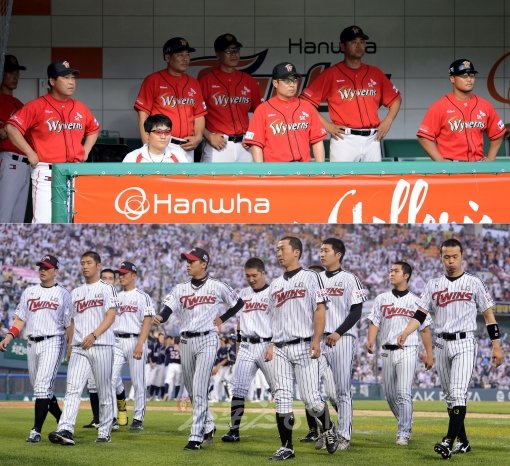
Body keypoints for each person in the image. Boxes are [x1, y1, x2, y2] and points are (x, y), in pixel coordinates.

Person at [397, 238, 503, 459]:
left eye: (455, 256)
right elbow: (420, 314)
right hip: (441, 343)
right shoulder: (433, 284)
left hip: (465, 342)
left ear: (462, 256)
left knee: (457, 393)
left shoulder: (474, 283)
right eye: (447, 257)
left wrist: (496, 345)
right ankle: (463, 442)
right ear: (441, 257)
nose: (451, 261)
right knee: (449, 397)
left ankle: (448, 441)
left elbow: (489, 316)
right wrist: (407, 331)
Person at [154, 247, 244, 450]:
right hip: (185, 340)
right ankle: (209, 425)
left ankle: (196, 436)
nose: (188, 264)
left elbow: (238, 303)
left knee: (199, 386)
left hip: (208, 339)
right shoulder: (180, 288)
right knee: (192, 390)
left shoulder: (217, 286)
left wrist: (222, 318)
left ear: (203, 264)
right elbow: (168, 308)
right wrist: (162, 317)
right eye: (187, 260)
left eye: (192, 261)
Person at [265, 236, 338, 461]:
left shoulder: (312, 277)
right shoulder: (275, 284)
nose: (278, 253)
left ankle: (328, 427)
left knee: (311, 399)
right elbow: (272, 319)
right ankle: (287, 446)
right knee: (283, 398)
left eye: (282, 249)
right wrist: (270, 343)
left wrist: (316, 339)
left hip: (304, 344)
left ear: (296, 252)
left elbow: (320, 310)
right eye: (277, 249)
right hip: (280, 348)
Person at [5, 60, 100, 223]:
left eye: (73, 78)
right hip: (47, 172)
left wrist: (85, 151)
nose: (71, 82)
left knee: (73, 221)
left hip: (73, 171)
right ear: (52, 81)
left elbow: (93, 129)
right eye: (65, 78)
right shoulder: (37, 106)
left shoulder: (80, 107)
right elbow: (11, 128)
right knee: (44, 222)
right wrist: (30, 152)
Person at [301, 25, 401, 162]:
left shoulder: (375, 73)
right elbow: (305, 102)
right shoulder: (331, 74)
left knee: (374, 181)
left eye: (361, 41)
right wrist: (327, 125)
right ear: (342, 46)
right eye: (353, 42)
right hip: (344, 139)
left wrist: (388, 121)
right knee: (342, 181)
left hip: (372, 138)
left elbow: (396, 99)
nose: (359, 46)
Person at [49, 251, 119, 445]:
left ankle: (104, 431)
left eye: (89, 262)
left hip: (102, 345)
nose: (85, 266)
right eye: (82, 263)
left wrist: (95, 335)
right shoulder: (76, 292)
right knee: (72, 389)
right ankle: (65, 429)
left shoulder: (107, 288)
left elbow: (111, 315)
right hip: (80, 346)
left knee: (104, 390)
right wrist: (71, 345)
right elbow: (71, 321)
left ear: (98, 265)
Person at [0, 254, 71, 443]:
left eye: (47, 268)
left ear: (56, 271)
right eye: (41, 267)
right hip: (31, 343)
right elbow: (20, 318)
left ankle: (35, 430)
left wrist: (71, 346)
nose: (42, 270)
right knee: (42, 389)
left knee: (41, 387)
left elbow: (68, 324)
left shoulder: (63, 293)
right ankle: (62, 419)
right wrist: (9, 336)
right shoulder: (29, 292)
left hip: (53, 341)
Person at [367, 261, 433, 446]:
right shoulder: (381, 298)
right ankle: (406, 421)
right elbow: (374, 321)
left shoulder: (416, 301)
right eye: (390, 271)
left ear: (406, 276)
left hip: (408, 349)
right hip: (387, 350)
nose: (391, 273)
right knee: (389, 395)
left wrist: (429, 353)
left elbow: (425, 329)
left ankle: (404, 431)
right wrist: (371, 339)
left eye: (396, 271)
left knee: (403, 392)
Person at [316, 238, 368, 451]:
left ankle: (344, 435)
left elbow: (357, 311)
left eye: (326, 250)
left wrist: (338, 332)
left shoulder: (350, 279)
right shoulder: (315, 278)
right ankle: (326, 430)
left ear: (338, 255)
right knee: (313, 389)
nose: (321, 254)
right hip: (319, 339)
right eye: (320, 250)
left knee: (342, 391)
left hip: (343, 339)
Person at [221, 257, 275, 443]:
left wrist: (273, 344)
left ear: (263, 273)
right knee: (239, 389)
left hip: (266, 344)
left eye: (254, 275)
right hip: (245, 345)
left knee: (279, 390)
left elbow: (279, 321)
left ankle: (307, 430)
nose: (251, 279)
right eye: (247, 276)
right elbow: (238, 322)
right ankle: (234, 430)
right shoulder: (242, 293)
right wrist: (237, 345)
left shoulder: (272, 293)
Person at [417, 59, 505, 162]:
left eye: (471, 76)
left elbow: (498, 133)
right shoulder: (440, 106)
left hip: (478, 166)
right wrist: (440, 161)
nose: (469, 79)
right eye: (464, 76)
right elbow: (424, 137)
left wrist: (490, 158)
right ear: (452, 78)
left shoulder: (484, 105)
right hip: (452, 167)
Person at [134, 37, 207, 162]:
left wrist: (199, 137)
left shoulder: (194, 83)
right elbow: (143, 114)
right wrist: (147, 143)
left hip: (187, 146)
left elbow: (199, 114)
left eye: (187, 55)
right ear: (167, 58)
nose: (185, 59)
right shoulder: (153, 80)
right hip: (161, 143)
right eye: (180, 55)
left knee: (185, 180)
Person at [244, 63, 327, 162]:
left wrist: (321, 169)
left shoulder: (307, 107)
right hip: (276, 170)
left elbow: (317, 140)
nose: (292, 85)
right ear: (275, 83)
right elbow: (256, 144)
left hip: (303, 168)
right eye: (287, 81)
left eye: (294, 81)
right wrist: (262, 172)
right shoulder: (263, 110)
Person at [199, 33, 262, 162]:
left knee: (247, 182)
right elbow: (194, 115)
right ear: (217, 54)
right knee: (213, 182)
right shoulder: (206, 81)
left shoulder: (248, 80)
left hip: (245, 144)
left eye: (236, 50)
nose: (234, 54)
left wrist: (253, 135)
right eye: (228, 51)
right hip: (218, 144)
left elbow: (261, 113)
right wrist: (208, 136)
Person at [111, 261, 154, 431]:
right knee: (110, 380)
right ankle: (113, 416)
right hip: (116, 341)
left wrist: (140, 343)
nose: (121, 276)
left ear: (133, 276)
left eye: (124, 273)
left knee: (138, 382)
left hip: (136, 340)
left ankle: (138, 418)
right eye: (119, 274)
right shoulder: (115, 296)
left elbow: (147, 321)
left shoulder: (143, 296)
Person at [83, 267, 118, 430]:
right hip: (92, 342)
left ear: (115, 281)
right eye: (104, 277)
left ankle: (117, 417)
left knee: (113, 383)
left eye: (110, 278)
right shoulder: (93, 295)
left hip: (112, 343)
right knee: (92, 384)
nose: (107, 280)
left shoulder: (116, 297)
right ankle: (97, 418)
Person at [0, 54, 29, 223]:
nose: (15, 76)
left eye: (17, 72)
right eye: (10, 72)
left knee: (17, 220)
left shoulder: (19, 103)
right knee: (4, 217)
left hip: (25, 164)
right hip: (9, 160)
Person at [122, 114, 188, 163]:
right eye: (159, 132)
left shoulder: (179, 156)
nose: (163, 136)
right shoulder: (132, 158)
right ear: (148, 135)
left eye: (167, 132)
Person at [163, 335, 182, 401]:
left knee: (167, 380)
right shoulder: (181, 348)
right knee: (177, 382)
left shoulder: (170, 347)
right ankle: (176, 397)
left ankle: (166, 394)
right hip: (179, 365)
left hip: (171, 365)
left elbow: (166, 352)